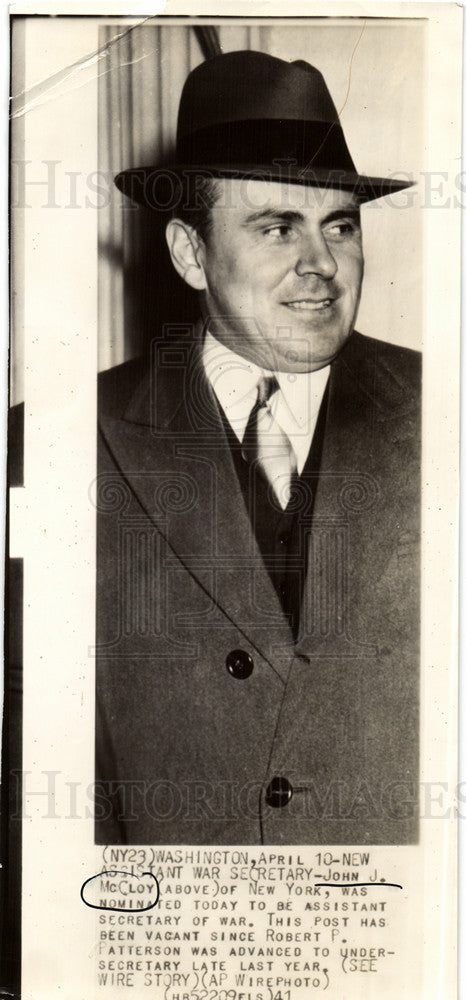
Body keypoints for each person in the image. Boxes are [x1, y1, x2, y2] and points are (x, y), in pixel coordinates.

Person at [95, 50, 420, 845]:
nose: (322, 266)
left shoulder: (451, 416)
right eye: (277, 227)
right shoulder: (61, 441)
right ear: (190, 254)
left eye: (339, 225)